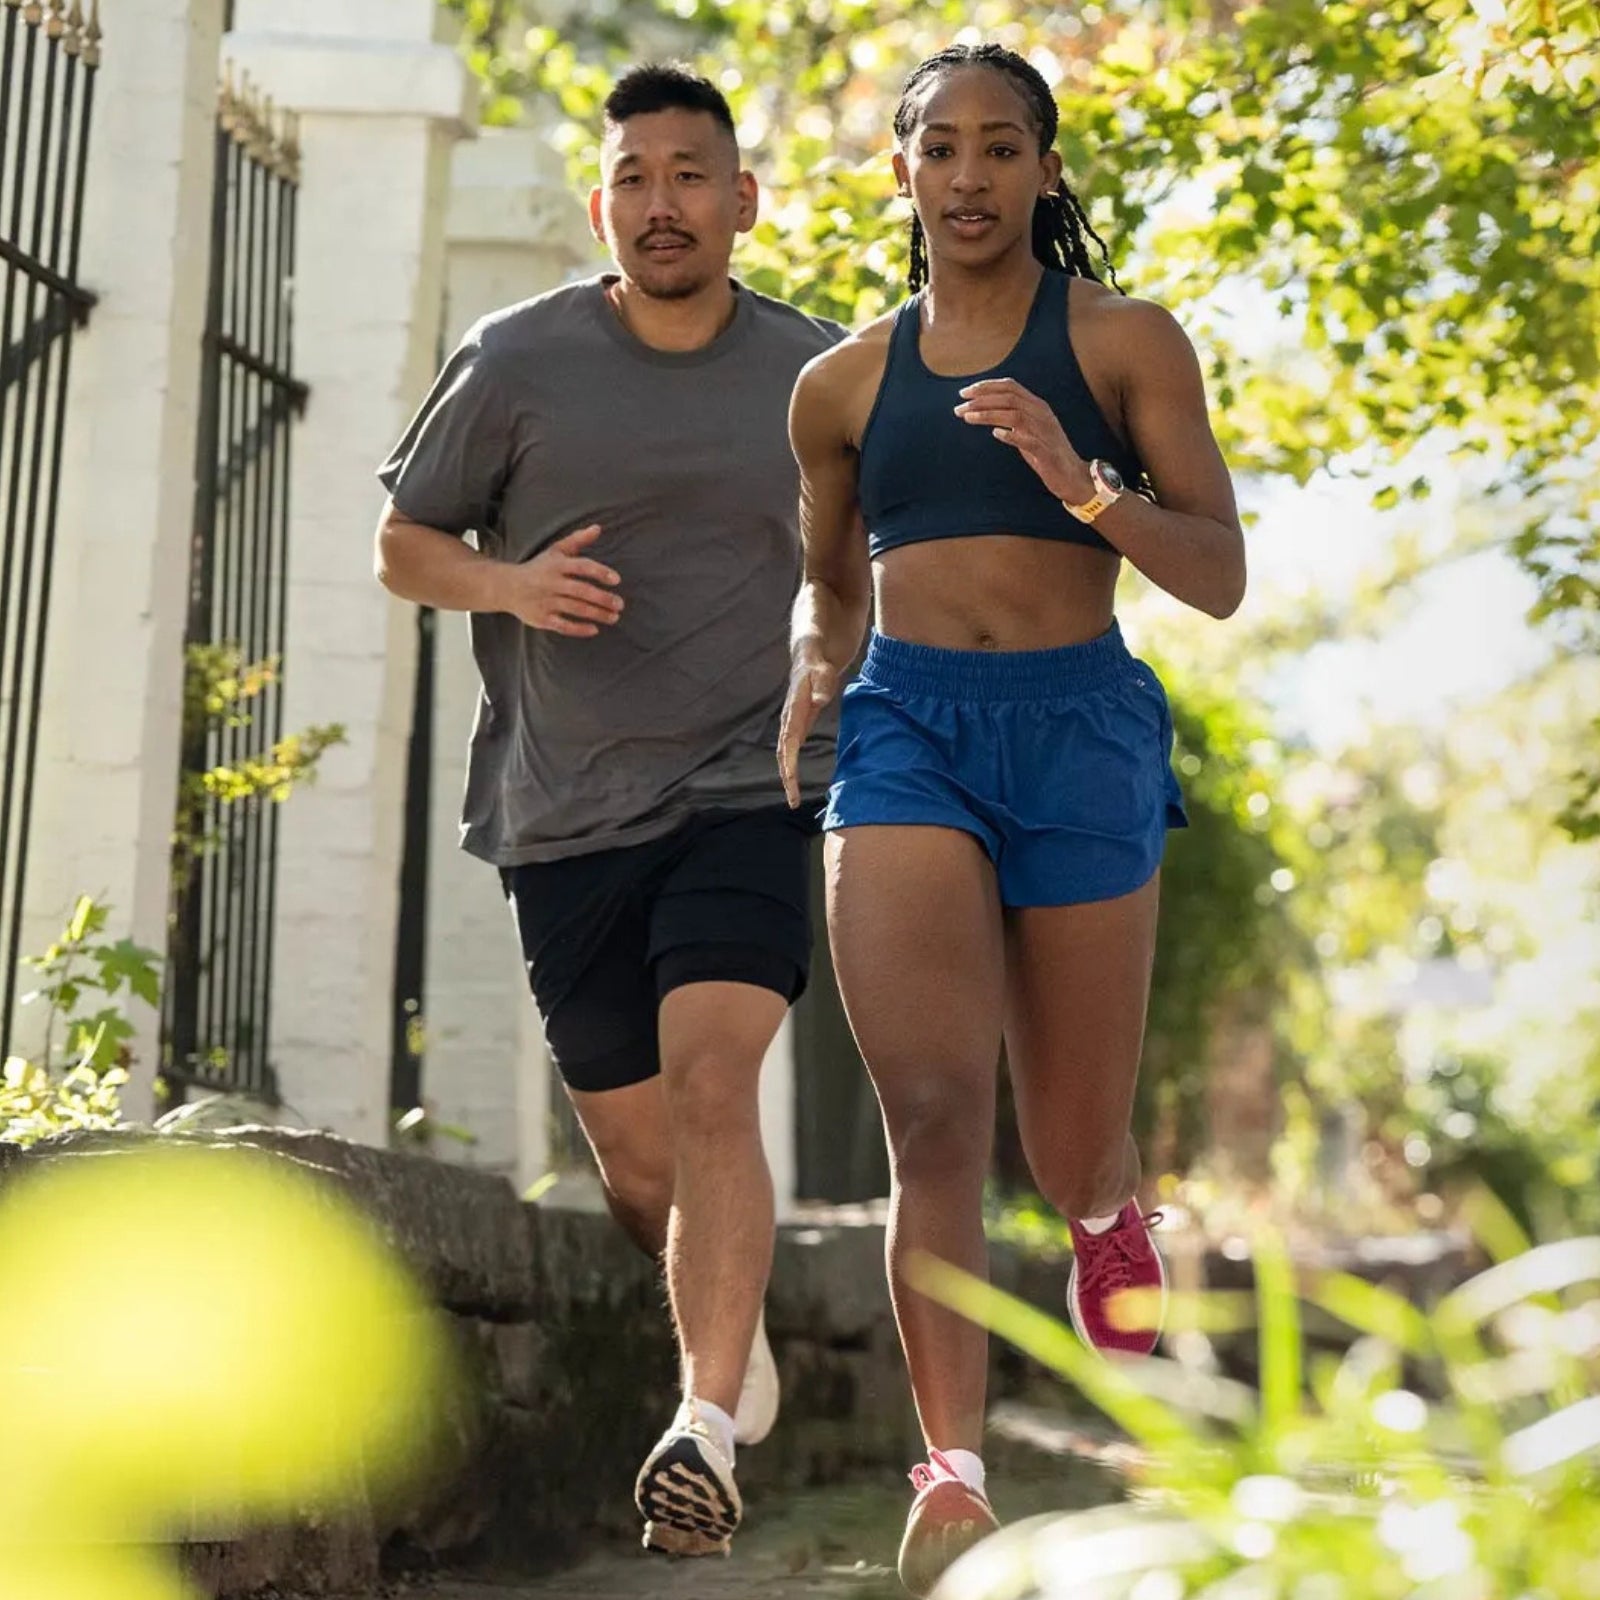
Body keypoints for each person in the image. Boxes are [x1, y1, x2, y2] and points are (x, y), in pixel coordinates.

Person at [778, 42, 1245, 1598]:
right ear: (902, 176)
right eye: (940, 151)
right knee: (929, 1114)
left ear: (1047, 171)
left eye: (1000, 149)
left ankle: (1111, 1212)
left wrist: (1083, 482)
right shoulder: (840, 385)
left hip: (1083, 733)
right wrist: (809, 670)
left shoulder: (1123, 343)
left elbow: (1219, 576)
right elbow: (832, 577)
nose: (968, 177)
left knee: (1062, 1143)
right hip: (907, 725)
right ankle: (955, 1474)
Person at [374, 63, 844, 1558]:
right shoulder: (515, 360)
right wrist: (509, 583)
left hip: (750, 790)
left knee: (717, 1088)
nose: (662, 203)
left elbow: (878, 567)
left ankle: (700, 1424)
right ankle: (732, 1328)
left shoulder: (819, 376)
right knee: (646, 1175)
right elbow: (402, 545)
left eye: (691, 175)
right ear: (602, 204)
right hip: (567, 810)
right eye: (635, 177)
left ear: (742, 200)